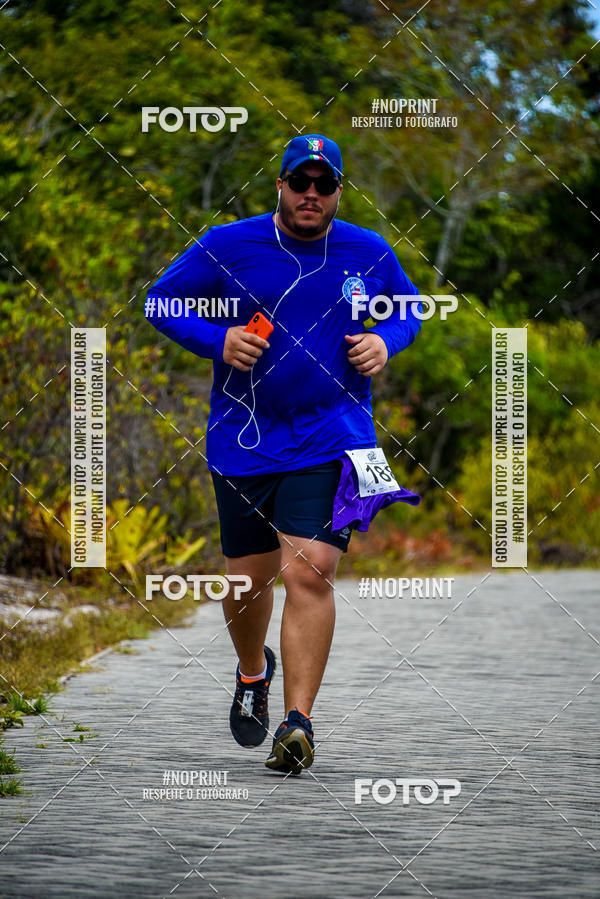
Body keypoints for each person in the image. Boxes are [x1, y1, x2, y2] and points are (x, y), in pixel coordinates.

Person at [145, 134, 422, 775]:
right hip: (243, 438)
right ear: (281, 185)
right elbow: (160, 301)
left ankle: (299, 725)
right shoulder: (229, 243)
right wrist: (218, 340)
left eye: (324, 184)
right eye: (300, 181)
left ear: (339, 192)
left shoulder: (368, 251)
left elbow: (409, 309)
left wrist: (386, 341)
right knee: (248, 582)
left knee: (311, 571)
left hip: (334, 434)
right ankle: (253, 671)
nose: (310, 194)